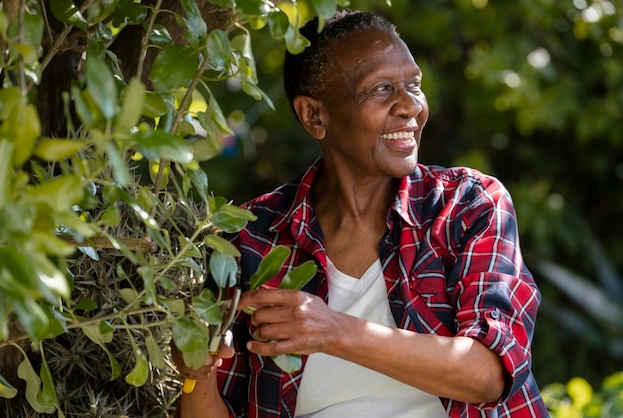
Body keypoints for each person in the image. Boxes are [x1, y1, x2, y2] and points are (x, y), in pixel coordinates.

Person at [172, 9, 548, 418]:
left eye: (414, 84)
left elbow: (488, 374)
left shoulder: (467, 204)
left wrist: (332, 330)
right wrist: (197, 374)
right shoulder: (249, 240)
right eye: (383, 89)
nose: (411, 106)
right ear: (314, 116)